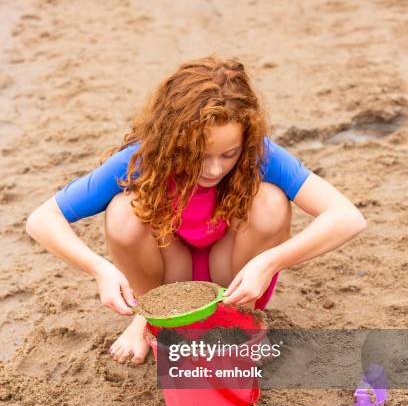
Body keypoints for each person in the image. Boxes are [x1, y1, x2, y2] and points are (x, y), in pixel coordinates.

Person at [26, 56, 366, 366]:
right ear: (172, 140)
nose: (216, 170)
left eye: (228, 154)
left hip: (233, 279)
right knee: (122, 210)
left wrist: (271, 261)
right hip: (168, 274)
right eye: (200, 155)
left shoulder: (258, 153)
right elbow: (42, 220)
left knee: (272, 202)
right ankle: (149, 316)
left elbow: (347, 217)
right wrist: (99, 269)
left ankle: (234, 318)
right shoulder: (143, 158)